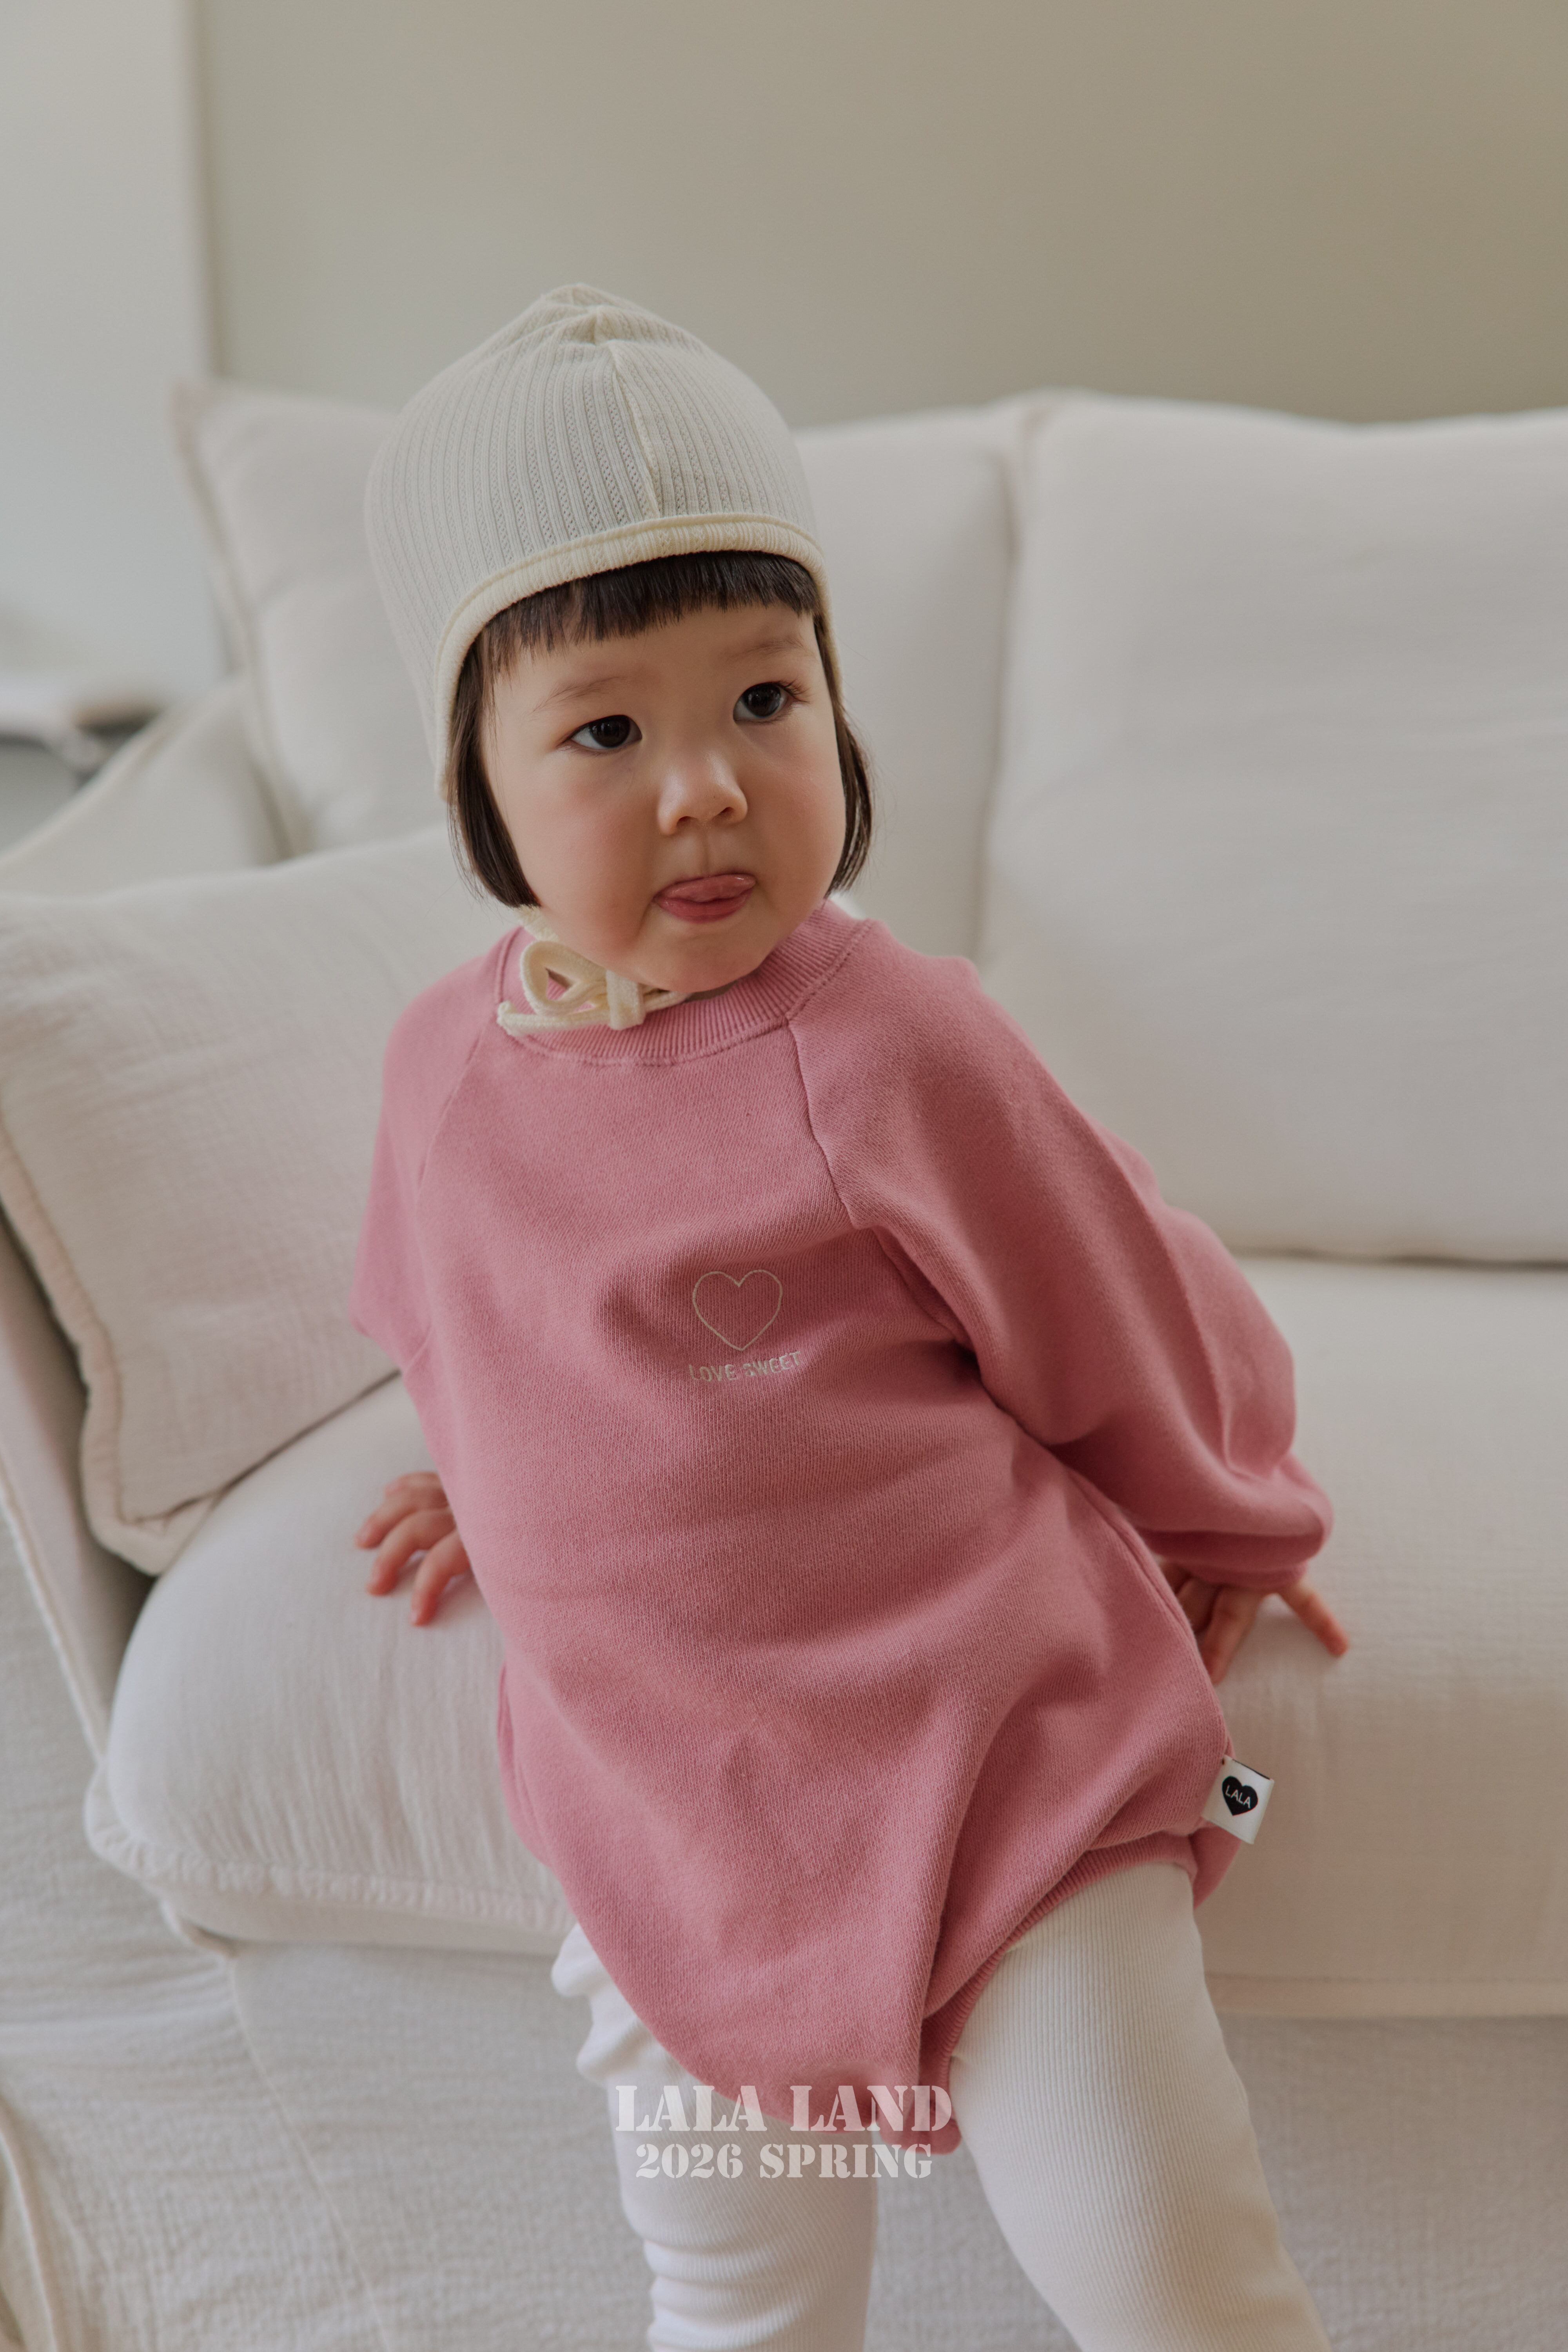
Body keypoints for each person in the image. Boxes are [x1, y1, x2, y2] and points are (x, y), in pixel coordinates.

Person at [349, 285, 1349, 2352]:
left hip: (1007, 1774)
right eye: (607, 732)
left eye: (764, 700)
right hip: (676, 1846)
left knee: (1174, 2274)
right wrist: (495, 1461)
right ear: (476, 779)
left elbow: (1119, 1295)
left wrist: (1233, 1513)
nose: (706, 788)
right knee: (737, 2298)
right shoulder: (443, 1069)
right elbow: (457, 1305)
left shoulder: (890, 1042)